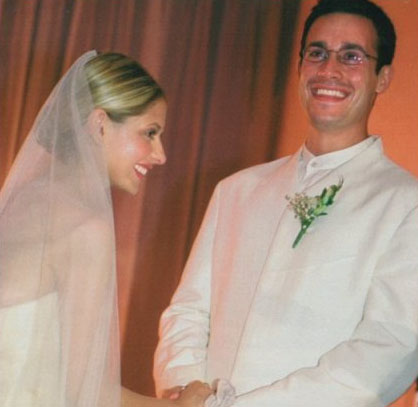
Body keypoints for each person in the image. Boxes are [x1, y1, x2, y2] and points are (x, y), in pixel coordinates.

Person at [153, 0, 418, 406]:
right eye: (317, 53)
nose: (329, 70)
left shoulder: (404, 202)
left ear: (382, 77)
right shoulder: (235, 190)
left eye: (351, 56)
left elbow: (389, 345)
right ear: (299, 67)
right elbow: (188, 311)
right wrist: (186, 387)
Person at [0, 50, 212, 407]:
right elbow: (86, 393)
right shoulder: (86, 229)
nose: (160, 154)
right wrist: (177, 406)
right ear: (99, 124)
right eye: (149, 133)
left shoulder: (25, 200)